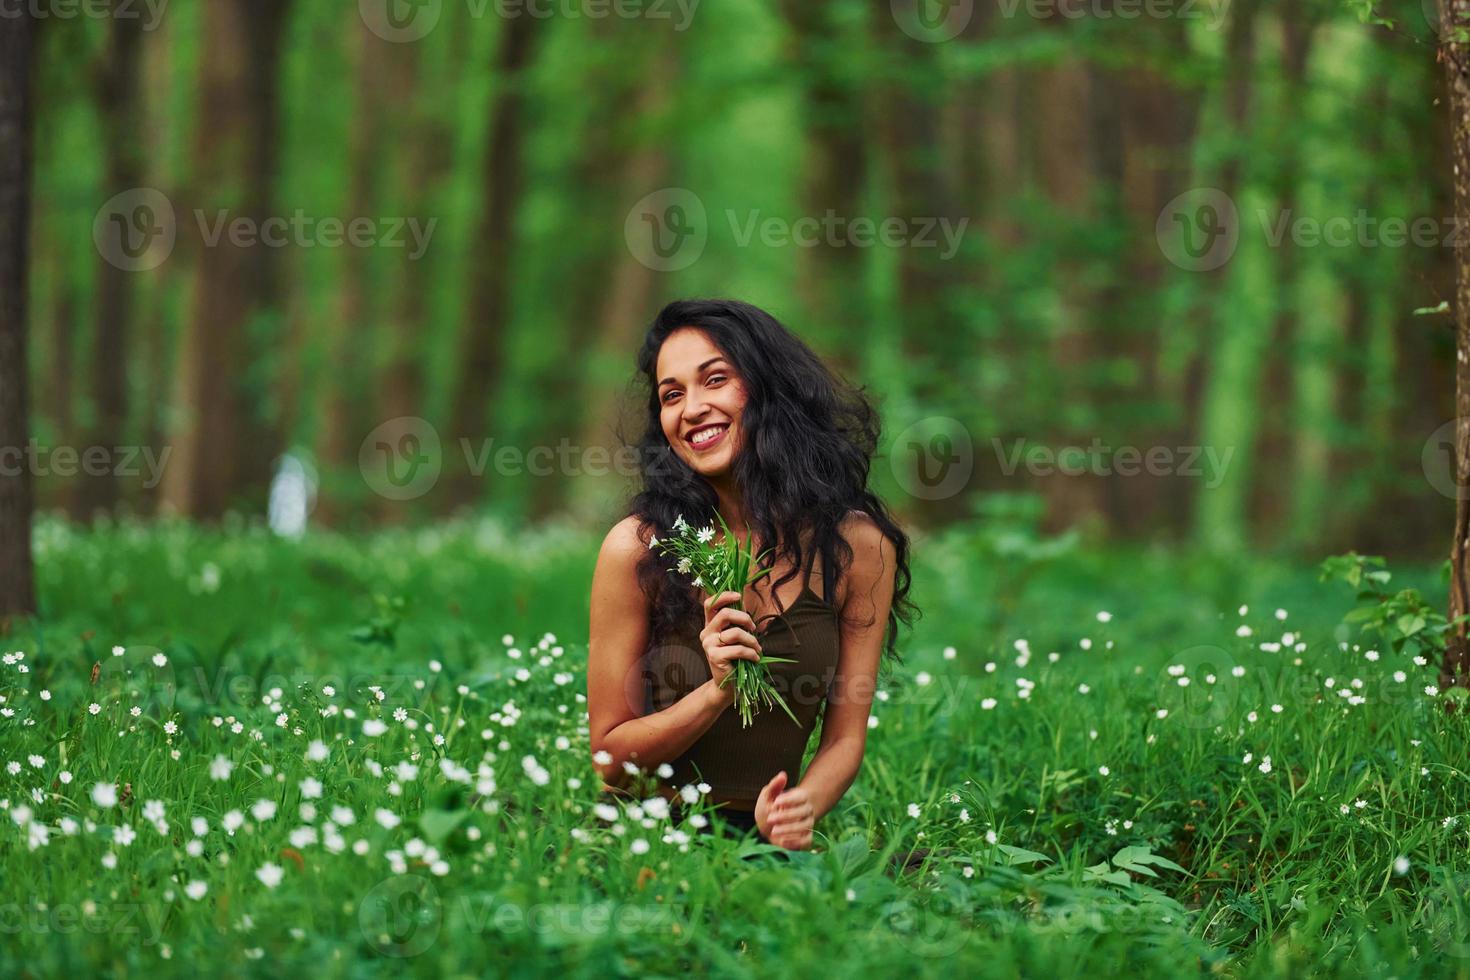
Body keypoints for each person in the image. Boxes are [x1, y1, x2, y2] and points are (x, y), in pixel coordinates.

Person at [586, 298, 916, 850]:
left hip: (767, 846)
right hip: (640, 845)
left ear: (769, 387)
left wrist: (799, 809)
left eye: (714, 380)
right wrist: (715, 692)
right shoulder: (638, 548)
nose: (691, 409)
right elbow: (610, 759)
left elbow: (843, 739)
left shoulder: (858, 548)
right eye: (672, 395)